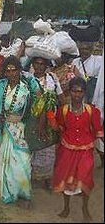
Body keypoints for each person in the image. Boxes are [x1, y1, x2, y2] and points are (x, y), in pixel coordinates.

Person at [0, 56, 41, 208]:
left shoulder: (29, 84)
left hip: (22, 129)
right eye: (8, 71)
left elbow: (39, 102)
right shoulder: (0, 85)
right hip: (6, 129)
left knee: (23, 163)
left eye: (14, 70)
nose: (11, 73)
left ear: (19, 70)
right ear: (5, 72)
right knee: (6, 162)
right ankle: (9, 194)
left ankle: (24, 195)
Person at [52, 77, 103, 222]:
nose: (77, 95)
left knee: (85, 178)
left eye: (80, 92)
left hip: (86, 151)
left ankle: (85, 208)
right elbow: (60, 128)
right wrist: (52, 122)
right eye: (74, 91)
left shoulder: (92, 111)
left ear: (84, 93)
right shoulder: (63, 111)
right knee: (66, 180)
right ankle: (66, 207)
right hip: (67, 151)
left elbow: (99, 131)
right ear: (69, 92)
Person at [28, 56, 65, 191]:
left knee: (48, 148)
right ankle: (33, 177)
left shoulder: (52, 78)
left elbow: (60, 97)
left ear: (46, 66)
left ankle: (47, 178)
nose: (38, 66)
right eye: (36, 63)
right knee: (32, 147)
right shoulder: (27, 79)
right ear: (32, 64)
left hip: (51, 119)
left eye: (42, 64)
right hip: (31, 119)